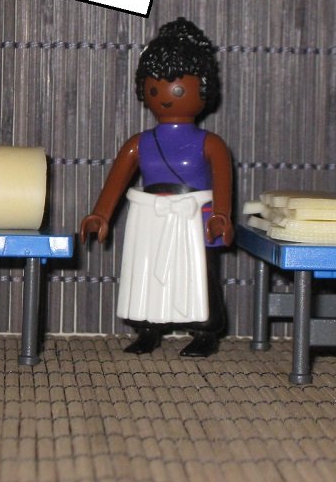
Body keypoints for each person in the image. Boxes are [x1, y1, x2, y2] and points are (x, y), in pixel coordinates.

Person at [80, 18, 233, 357]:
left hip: (193, 215)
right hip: (149, 215)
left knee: (199, 274)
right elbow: (117, 182)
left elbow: (223, 183)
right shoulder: (139, 143)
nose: (165, 98)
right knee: (146, 271)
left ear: (202, 88)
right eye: (154, 90)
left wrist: (221, 215)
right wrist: (100, 214)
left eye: (177, 90)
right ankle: (148, 327)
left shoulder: (211, 144)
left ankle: (205, 331)